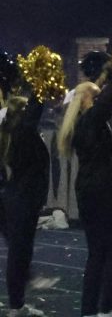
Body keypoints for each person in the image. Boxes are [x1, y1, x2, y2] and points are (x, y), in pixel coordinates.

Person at [58, 76, 112, 317]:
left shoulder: (86, 123)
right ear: (87, 100)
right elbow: (108, 99)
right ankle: (102, 308)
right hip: (99, 193)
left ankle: (94, 309)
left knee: (101, 252)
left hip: (92, 192)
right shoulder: (91, 120)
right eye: (97, 94)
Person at [0, 87, 50, 317]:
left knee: (20, 252)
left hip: (16, 198)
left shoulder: (13, 133)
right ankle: (16, 305)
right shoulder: (23, 132)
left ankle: (17, 301)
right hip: (20, 199)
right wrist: (40, 84)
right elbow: (35, 111)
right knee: (19, 253)